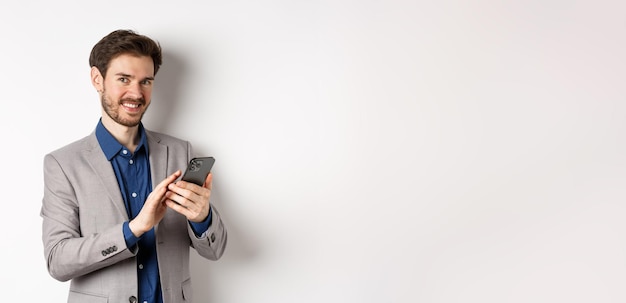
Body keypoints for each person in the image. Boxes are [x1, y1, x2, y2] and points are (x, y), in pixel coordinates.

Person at [40, 29, 227, 303]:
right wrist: (134, 229)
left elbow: (216, 250)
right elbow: (58, 261)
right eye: (124, 79)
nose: (136, 93)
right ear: (97, 79)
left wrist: (202, 217)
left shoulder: (179, 151)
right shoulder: (63, 164)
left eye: (146, 81)